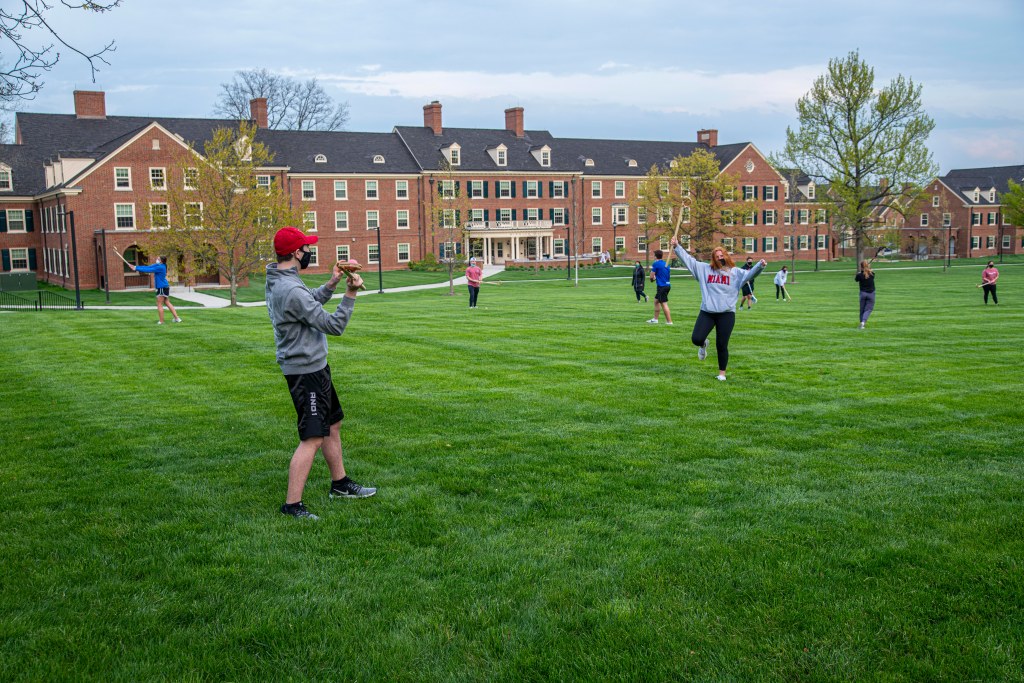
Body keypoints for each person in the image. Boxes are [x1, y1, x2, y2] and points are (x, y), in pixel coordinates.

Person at [266, 226, 376, 520]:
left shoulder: (284, 279)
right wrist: (350, 293)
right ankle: (292, 505)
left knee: (333, 424)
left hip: (314, 365)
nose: (308, 252)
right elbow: (333, 326)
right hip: (305, 371)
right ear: (295, 253)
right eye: (305, 248)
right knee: (312, 437)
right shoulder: (289, 288)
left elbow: (308, 302)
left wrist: (331, 284)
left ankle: (340, 485)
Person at [672, 237, 765, 381]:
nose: (720, 258)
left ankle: (722, 374)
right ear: (713, 260)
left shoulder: (735, 272)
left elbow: (750, 275)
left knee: (722, 344)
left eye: (722, 256)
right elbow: (689, 261)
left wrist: (759, 266)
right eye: (717, 257)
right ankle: (703, 344)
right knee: (696, 339)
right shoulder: (705, 270)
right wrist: (677, 246)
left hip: (726, 314)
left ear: (726, 256)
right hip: (708, 312)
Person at [130, 255, 182, 324]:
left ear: (161, 261)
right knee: (167, 302)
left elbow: (149, 270)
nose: (156, 259)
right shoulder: (159, 265)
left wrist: (136, 268)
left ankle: (161, 321)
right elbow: (148, 267)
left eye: (158, 259)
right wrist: (136, 267)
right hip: (165, 287)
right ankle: (177, 318)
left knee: (159, 304)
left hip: (161, 287)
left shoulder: (160, 267)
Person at [646, 249, 673, 325]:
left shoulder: (656, 264)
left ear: (655, 256)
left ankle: (669, 322)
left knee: (664, 304)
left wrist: (652, 279)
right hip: (667, 285)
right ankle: (655, 319)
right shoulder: (666, 264)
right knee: (656, 301)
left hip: (662, 286)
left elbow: (651, 276)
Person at [855, 260, 875, 329]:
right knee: (868, 309)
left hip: (863, 293)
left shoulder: (859, 275)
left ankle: (862, 324)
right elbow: (870, 273)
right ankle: (863, 322)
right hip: (871, 294)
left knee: (862, 309)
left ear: (861, 267)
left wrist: (860, 272)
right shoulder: (872, 273)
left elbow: (856, 279)